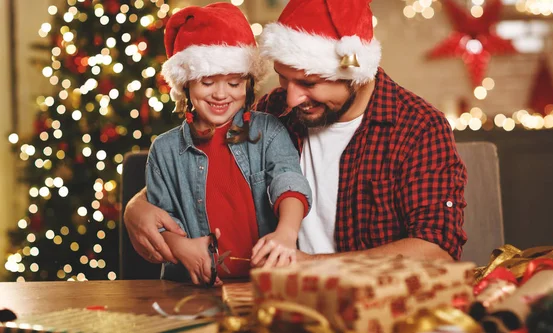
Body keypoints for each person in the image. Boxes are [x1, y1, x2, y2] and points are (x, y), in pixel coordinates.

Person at [124, 0, 467, 268]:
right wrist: (137, 206)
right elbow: (211, 165)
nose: (290, 97)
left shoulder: (419, 129)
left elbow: (436, 250)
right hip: (274, 303)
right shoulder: (274, 111)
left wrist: (312, 267)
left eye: (308, 82)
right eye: (284, 78)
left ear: (356, 72)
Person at [146, 3, 311, 285]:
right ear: (186, 84)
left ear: (248, 85)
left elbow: (289, 180)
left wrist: (286, 233)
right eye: (208, 82)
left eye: (234, 84)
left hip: (264, 285)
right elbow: (159, 222)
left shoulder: (269, 131)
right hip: (190, 288)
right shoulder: (163, 151)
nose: (221, 94)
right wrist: (181, 248)